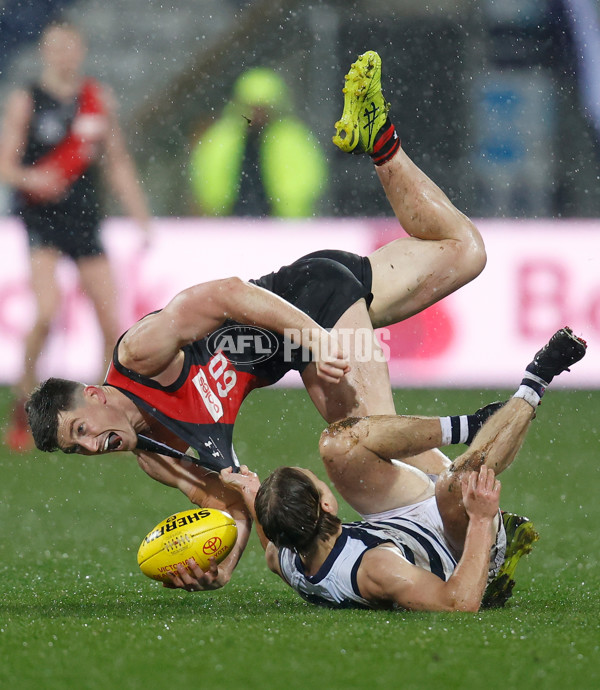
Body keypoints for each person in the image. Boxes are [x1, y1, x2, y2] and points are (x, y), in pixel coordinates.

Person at [25, 50, 488, 589]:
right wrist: (222, 565)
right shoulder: (157, 457)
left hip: (312, 298)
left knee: (367, 464)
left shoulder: (139, 356)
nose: (88, 445)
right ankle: (378, 136)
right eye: (74, 448)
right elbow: (237, 504)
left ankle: (478, 535)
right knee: (465, 250)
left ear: (93, 393)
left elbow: (226, 293)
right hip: (306, 340)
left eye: (79, 428)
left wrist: (315, 339)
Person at [214, 328, 587, 611]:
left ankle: (469, 426)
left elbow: (269, 546)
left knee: (338, 445)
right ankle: (535, 383)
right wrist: (480, 520)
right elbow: (457, 603)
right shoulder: (377, 568)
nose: (325, 482)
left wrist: (254, 494)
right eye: (319, 484)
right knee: (455, 485)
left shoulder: (290, 558)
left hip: (402, 521)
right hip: (462, 549)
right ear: (326, 506)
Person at [0, 21, 152, 451]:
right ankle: (25, 402)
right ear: (46, 52)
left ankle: (109, 409)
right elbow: (5, 164)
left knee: (112, 324)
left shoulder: (96, 100)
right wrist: (35, 178)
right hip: (43, 220)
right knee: (46, 312)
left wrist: (141, 217)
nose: (64, 54)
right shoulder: (26, 100)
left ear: (80, 50)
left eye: (70, 47)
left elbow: (117, 161)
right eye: (56, 47)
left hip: (85, 219)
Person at [189, 66, 328, 217]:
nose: (257, 115)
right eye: (253, 108)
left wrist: (291, 206)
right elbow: (206, 176)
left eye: (263, 108)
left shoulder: (292, 138)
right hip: (231, 223)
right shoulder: (222, 137)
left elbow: (309, 179)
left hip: (283, 227)